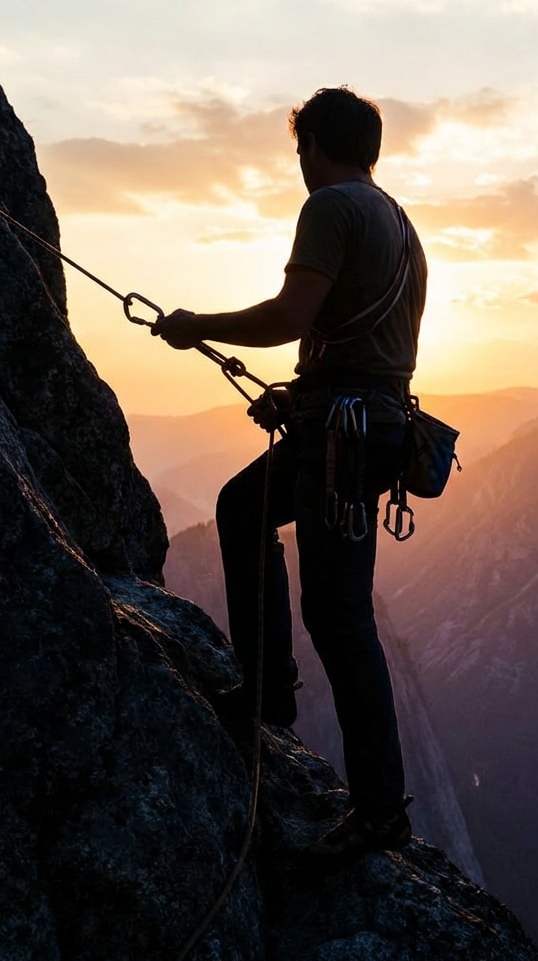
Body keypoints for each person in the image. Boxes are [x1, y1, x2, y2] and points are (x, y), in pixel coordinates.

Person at [152, 86, 428, 859]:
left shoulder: (332, 209)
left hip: (341, 436)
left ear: (314, 146)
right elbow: (362, 340)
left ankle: (378, 810)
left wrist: (194, 327)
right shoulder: (400, 223)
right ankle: (267, 689)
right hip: (362, 423)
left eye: (300, 150)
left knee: (340, 620)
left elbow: (288, 316)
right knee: (243, 508)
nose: (299, 165)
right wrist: (301, 396)